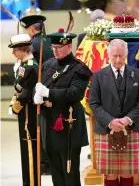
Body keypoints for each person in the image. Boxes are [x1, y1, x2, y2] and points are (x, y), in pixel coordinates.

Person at [33, 28, 92, 186]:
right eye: (53, 47)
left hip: (68, 125)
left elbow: (75, 93)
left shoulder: (79, 69)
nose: (55, 50)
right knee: (55, 169)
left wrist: (48, 92)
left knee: (69, 169)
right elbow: (39, 85)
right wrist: (36, 95)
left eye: (58, 48)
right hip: (49, 123)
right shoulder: (47, 65)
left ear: (69, 47)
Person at [89, 39, 139, 186]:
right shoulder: (98, 76)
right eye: (114, 56)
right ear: (109, 55)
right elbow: (94, 104)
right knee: (111, 175)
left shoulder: (137, 74)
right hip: (106, 130)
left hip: (131, 129)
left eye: (121, 56)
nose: (118, 59)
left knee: (128, 172)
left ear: (126, 54)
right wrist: (110, 122)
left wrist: (128, 119)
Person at [20, 14, 54, 175]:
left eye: (27, 29)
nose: (27, 32)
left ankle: (45, 164)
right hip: (53, 90)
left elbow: (31, 71)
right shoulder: (50, 41)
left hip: (39, 91)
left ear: (32, 29)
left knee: (39, 127)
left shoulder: (34, 44)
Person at [8, 34, 38, 186]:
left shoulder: (31, 67)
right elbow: (18, 88)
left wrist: (15, 107)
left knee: (29, 149)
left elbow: (25, 93)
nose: (13, 53)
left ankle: (31, 182)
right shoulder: (24, 65)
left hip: (28, 113)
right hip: (24, 111)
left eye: (15, 50)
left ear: (23, 49)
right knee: (25, 149)